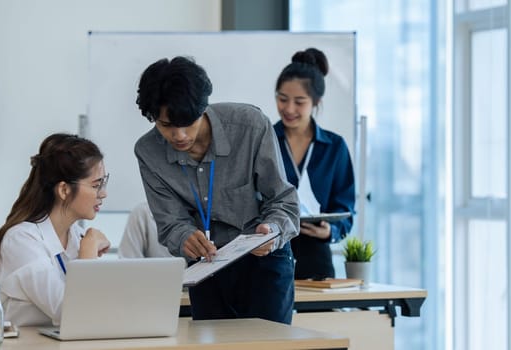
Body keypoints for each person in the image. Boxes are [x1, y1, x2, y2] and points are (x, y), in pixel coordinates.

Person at [134, 56, 300, 324]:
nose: (179, 136)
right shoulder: (148, 152)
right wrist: (184, 236)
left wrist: (273, 230)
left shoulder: (250, 126)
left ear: (203, 109)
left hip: (264, 259)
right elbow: (170, 223)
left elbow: (283, 199)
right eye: (166, 126)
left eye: (187, 122)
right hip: (206, 265)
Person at [0, 133, 112, 326]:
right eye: (96, 185)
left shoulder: (76, 236)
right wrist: (88, 253)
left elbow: (101, 309)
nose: (103, 193)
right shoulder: (21, 240)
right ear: (64, 190)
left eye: (104, 182)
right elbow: (71, 313)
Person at [274, 48, 356, 280]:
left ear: (316, 102)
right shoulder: (264, 141)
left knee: (319, 317)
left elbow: (346, 207)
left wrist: (331, 230)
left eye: (299, 102)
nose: (289, 109)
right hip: (271, 255)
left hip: (316, 256)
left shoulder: (334, 147)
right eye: (282, 99)